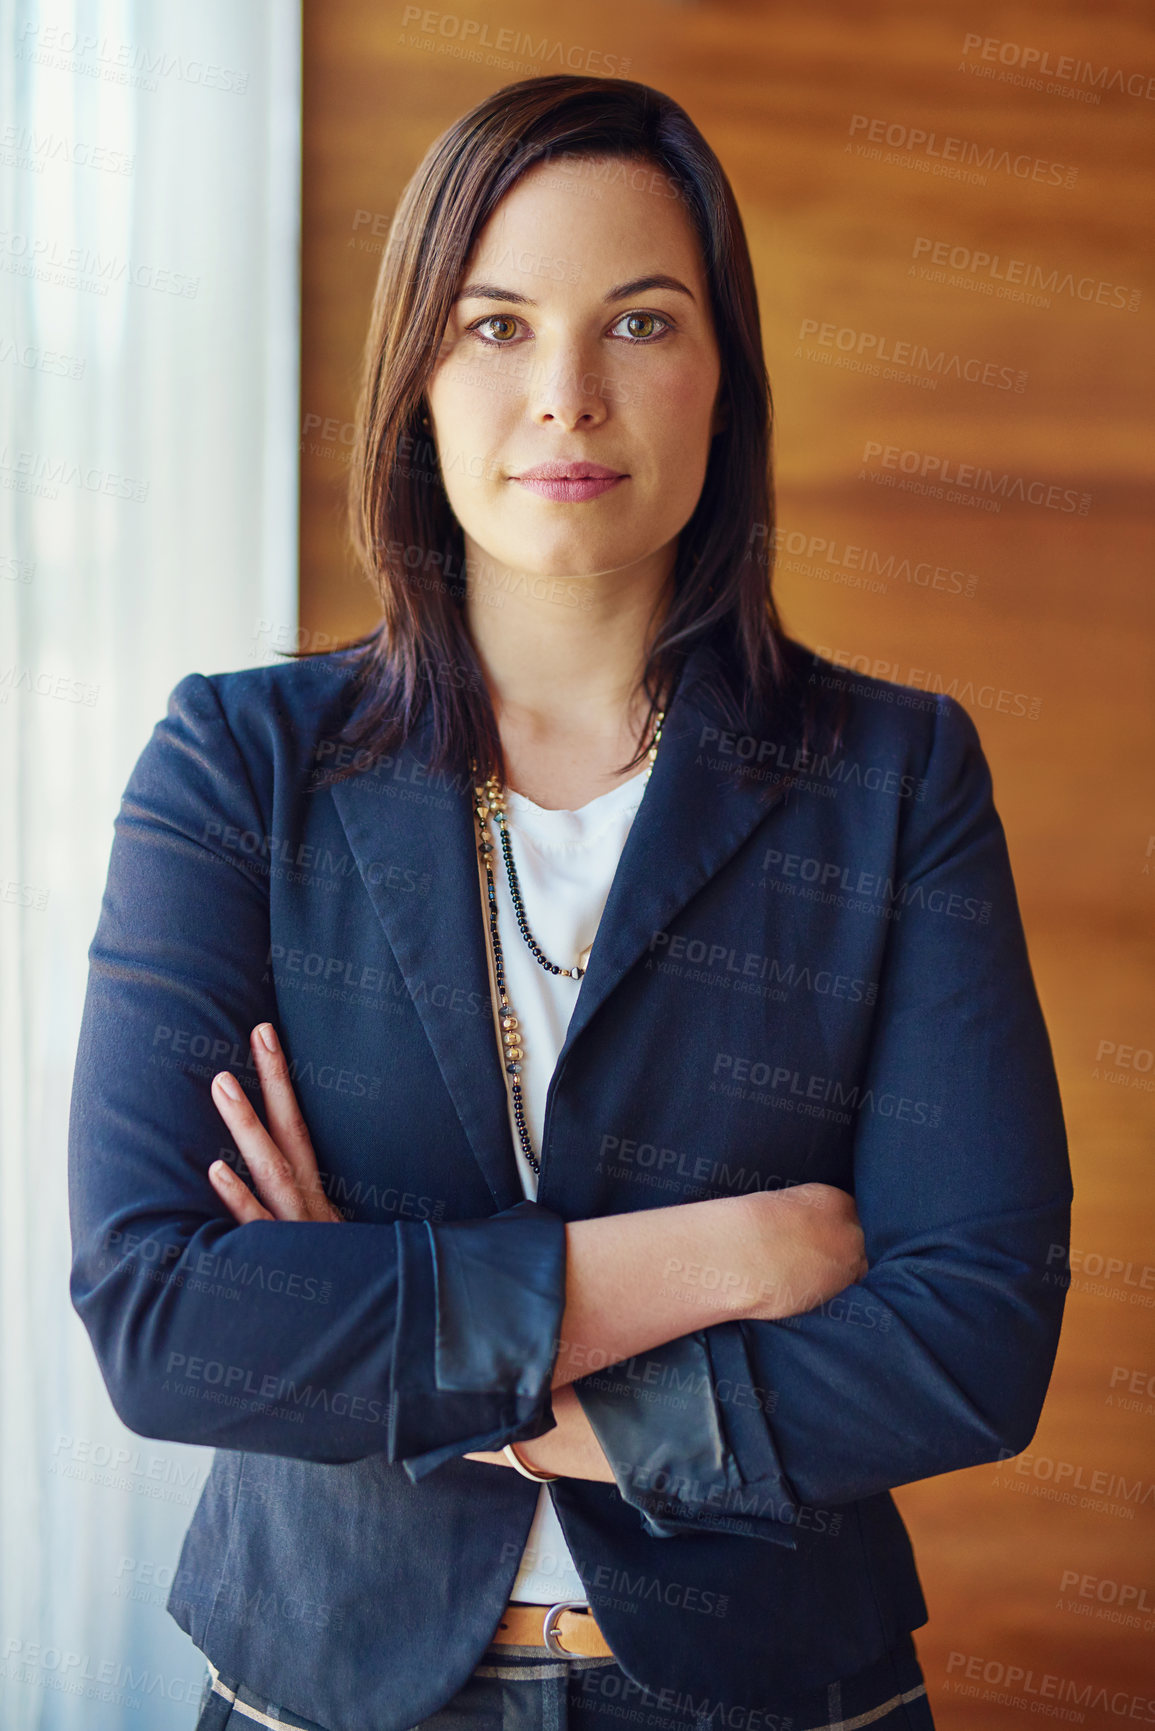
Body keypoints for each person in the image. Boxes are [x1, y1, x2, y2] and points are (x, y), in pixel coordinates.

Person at [67, 74, 1072, 1731]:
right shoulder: (238, 767)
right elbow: (164, 1316)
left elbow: (971, 1336)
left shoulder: (896, 781)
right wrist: (734, 1252)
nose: (568, 397)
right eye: (496, 326)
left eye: (641, 323)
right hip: (326, 1686)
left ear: (723, 378)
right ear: (418, 379)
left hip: (773, 1693)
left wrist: (402, 1343)